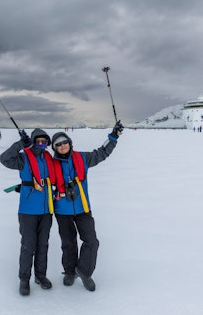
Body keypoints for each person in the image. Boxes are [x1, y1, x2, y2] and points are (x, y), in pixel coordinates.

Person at [50, 120, 124, 292]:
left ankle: (84, 271)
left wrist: (113, 137)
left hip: (83, 208)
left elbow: (102, 152)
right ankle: (69, 272)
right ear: (54, 148)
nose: (62, 146)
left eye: (65, 142)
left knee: (92, 241)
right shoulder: (50, 165)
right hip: (62, 211)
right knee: (68, 243)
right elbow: (36, 173)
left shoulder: (83, 158)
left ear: (70, 143)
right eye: (58, 144)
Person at [0, 128, 55, 296]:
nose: (41, 144)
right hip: (28, 210)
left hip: (47, 210)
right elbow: (4, 159)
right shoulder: (23, 158)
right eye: (37, 141)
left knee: (43, 245)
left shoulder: (49, 158)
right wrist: (20, 144)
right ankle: (24, 279)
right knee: (28, 245)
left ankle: (40, 275)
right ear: (32, 141)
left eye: (44, 141)